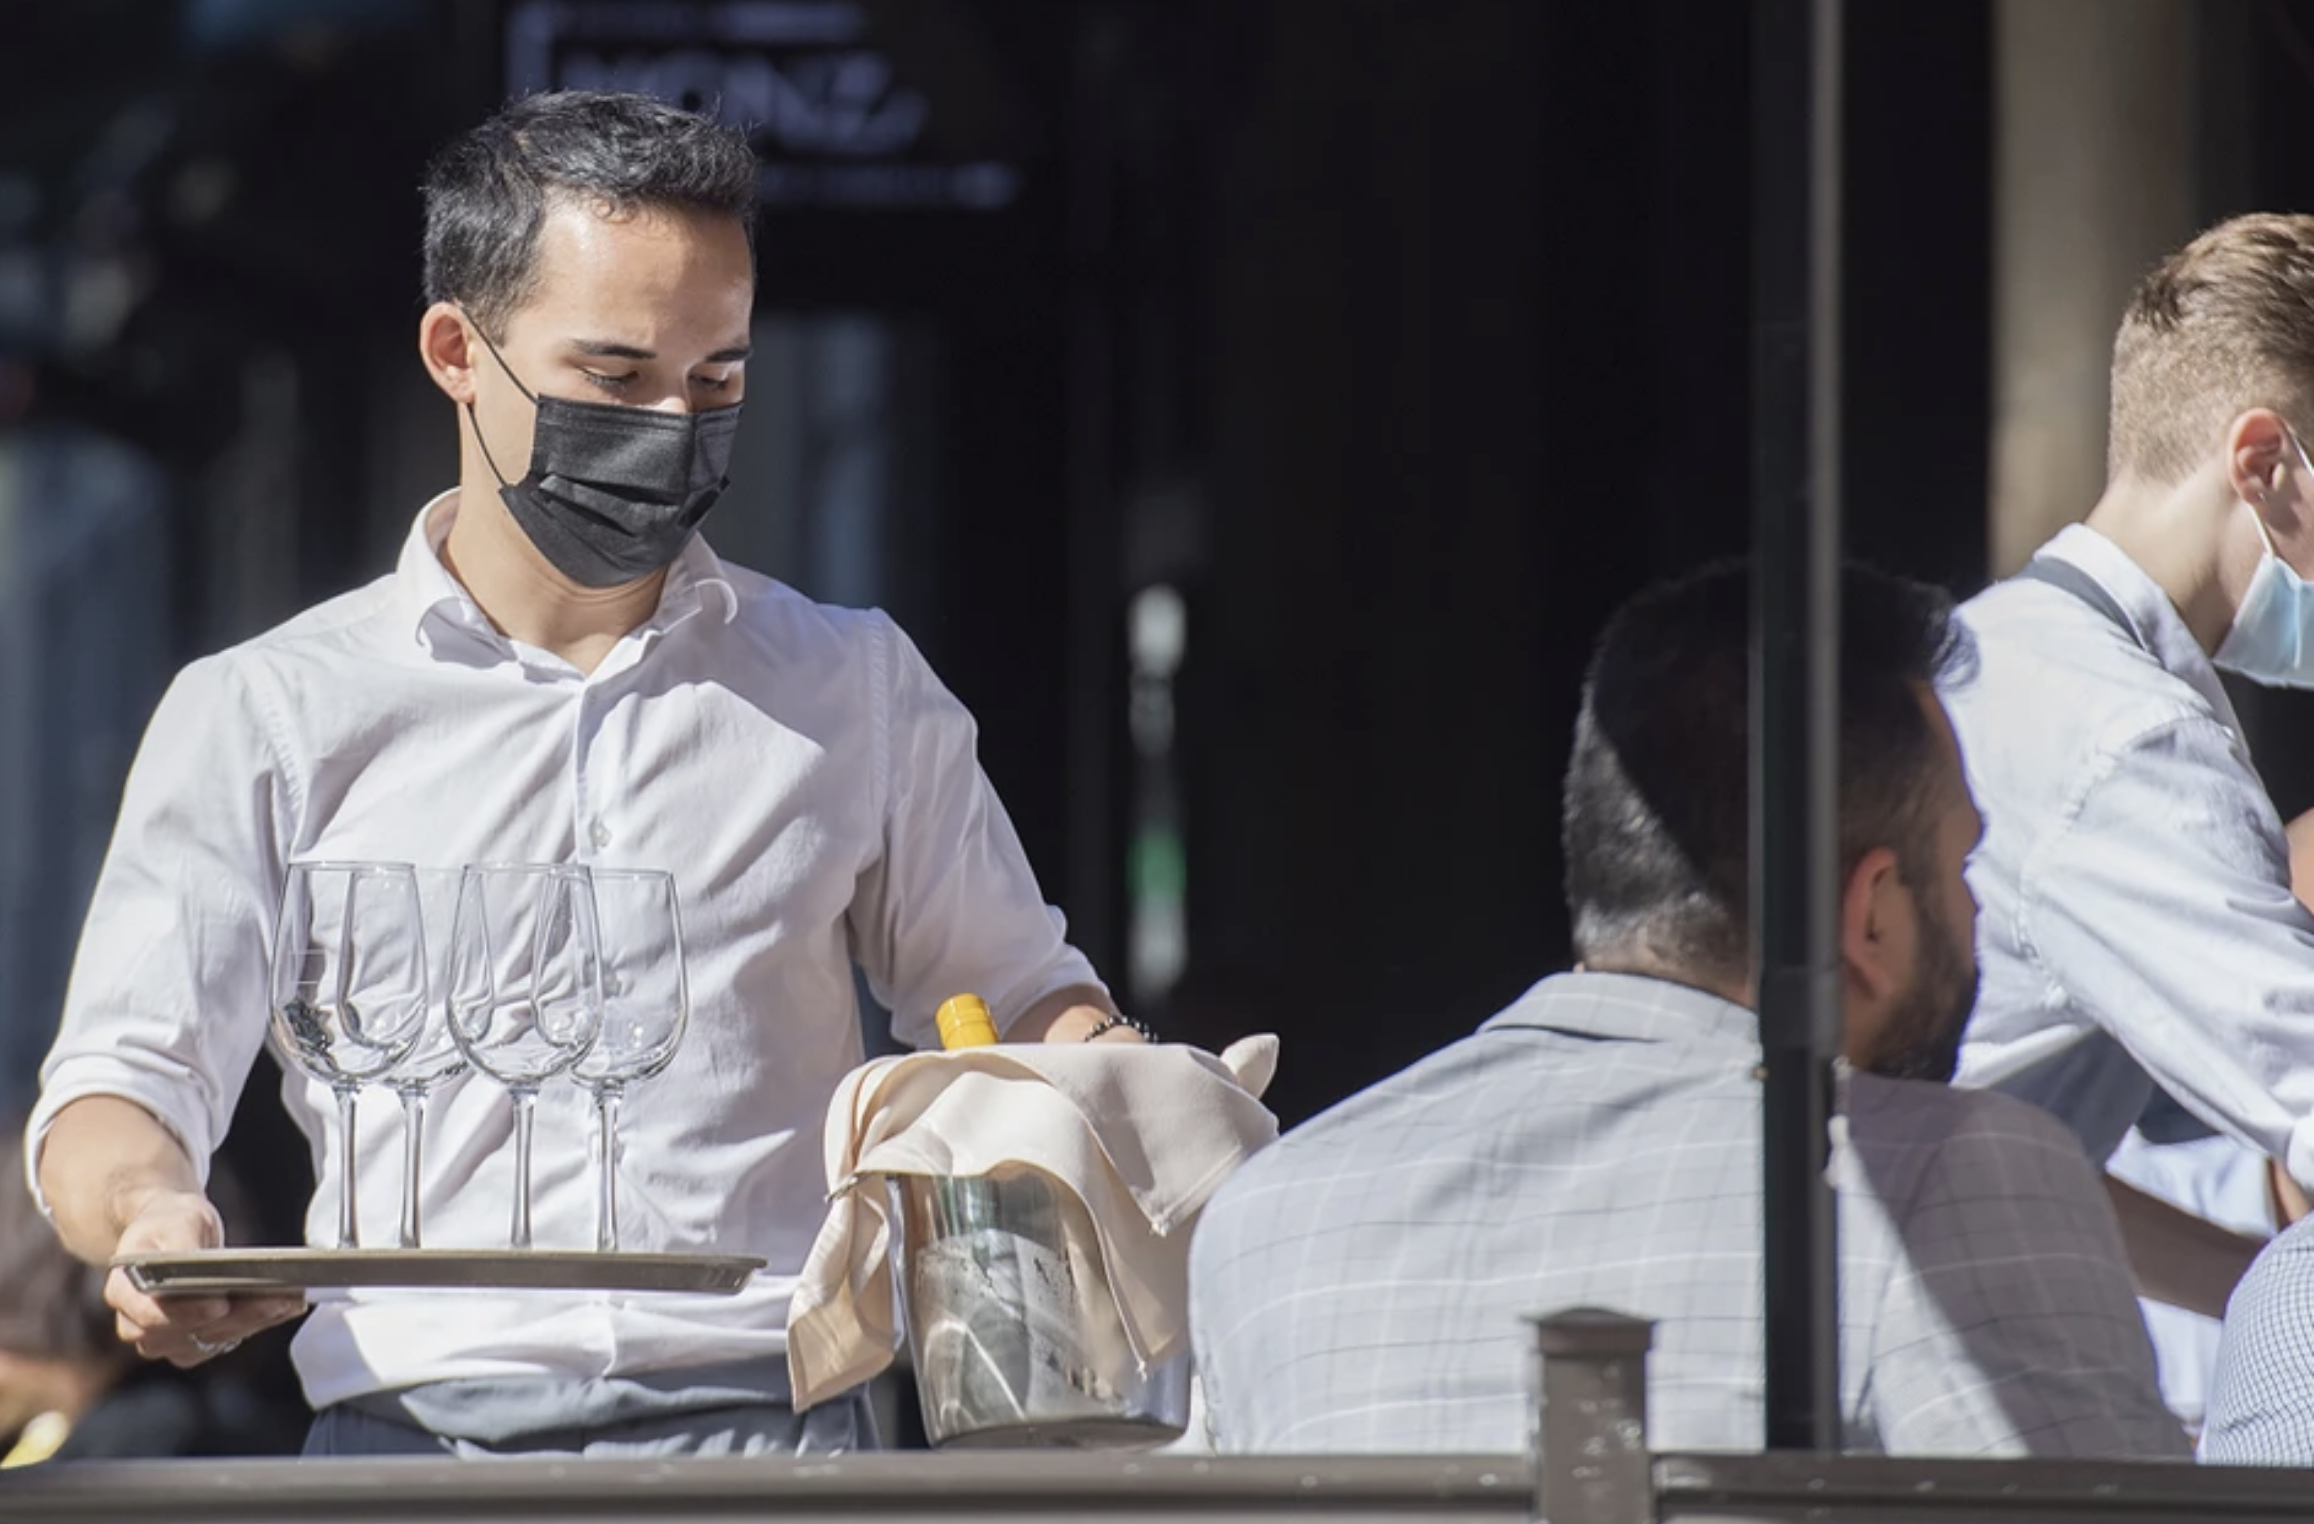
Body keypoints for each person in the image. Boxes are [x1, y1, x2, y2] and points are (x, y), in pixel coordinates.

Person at [27, 91, 1144, 1460]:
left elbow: (1018, 1002)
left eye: (717, 381)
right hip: (408, 1449)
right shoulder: (268, 713)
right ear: (458, 351)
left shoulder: (850, 688)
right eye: (615, 378)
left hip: (774, 1442)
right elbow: (120, 1084)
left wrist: (1146, 1090)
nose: (672, 424)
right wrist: (151, 1218)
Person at [1187, 561, 2185, 1457]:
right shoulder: (1942, 1176)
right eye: (1965, 866)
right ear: (1870, 914)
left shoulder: (1268, 1218)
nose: (1975, 912)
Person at [1947, 213, 2314, 1317]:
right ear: (2263, 465)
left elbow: (1999, 1158)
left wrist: (2255, 1296)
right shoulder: (2127, 742)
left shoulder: (1994, 653)